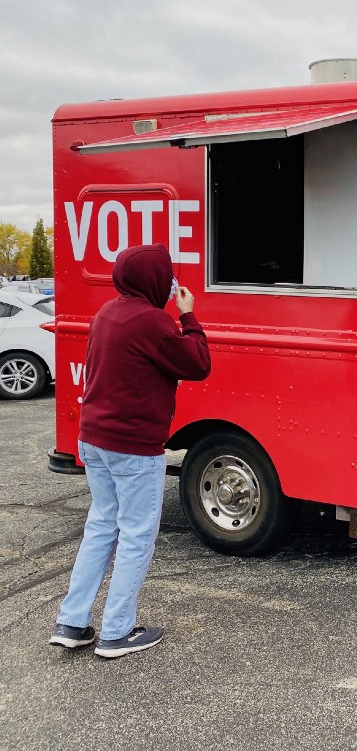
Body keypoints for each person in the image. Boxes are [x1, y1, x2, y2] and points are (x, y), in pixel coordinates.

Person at [49, 244, 211, 658]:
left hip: (94, 439)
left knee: (102, 526)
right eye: (168, 274)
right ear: (156, 279)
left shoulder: (107, 313)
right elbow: (197, 364)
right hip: (133, 446)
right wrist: (187, 315)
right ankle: (118, 632)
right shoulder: (154, 322)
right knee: (137, 536)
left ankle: (72, 622)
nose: (171, 281)